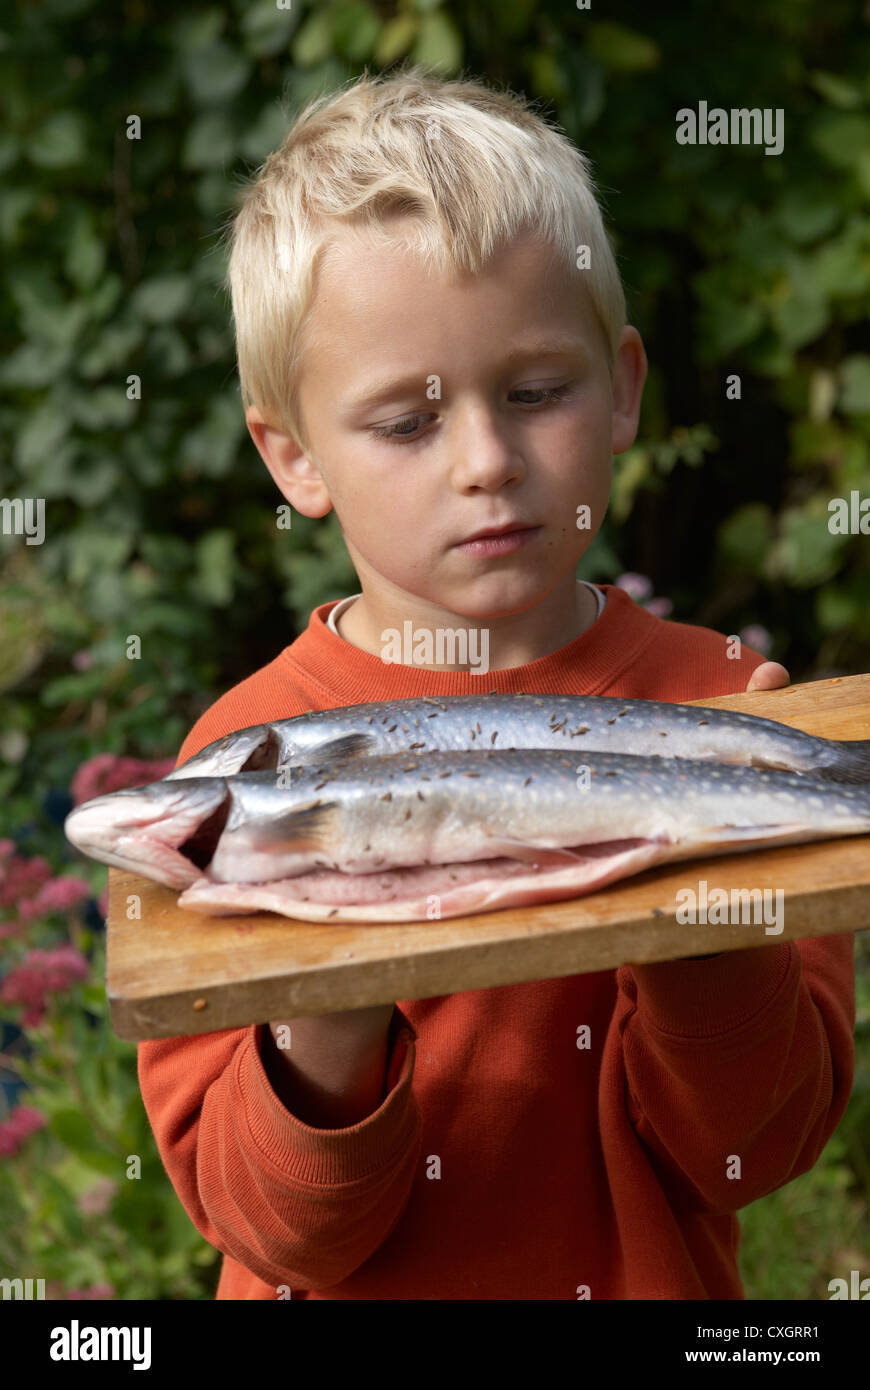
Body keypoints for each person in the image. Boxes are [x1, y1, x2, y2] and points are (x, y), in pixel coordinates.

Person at [137, 66, 851, 1300]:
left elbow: (752, 1149)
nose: (487, 462)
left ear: (623, 388)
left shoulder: (733, 707)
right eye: (407, 424)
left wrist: (703, 882)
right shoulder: (250, 757)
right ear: (293, 454)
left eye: (535, 393)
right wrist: (330, 999)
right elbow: (273, 1233)